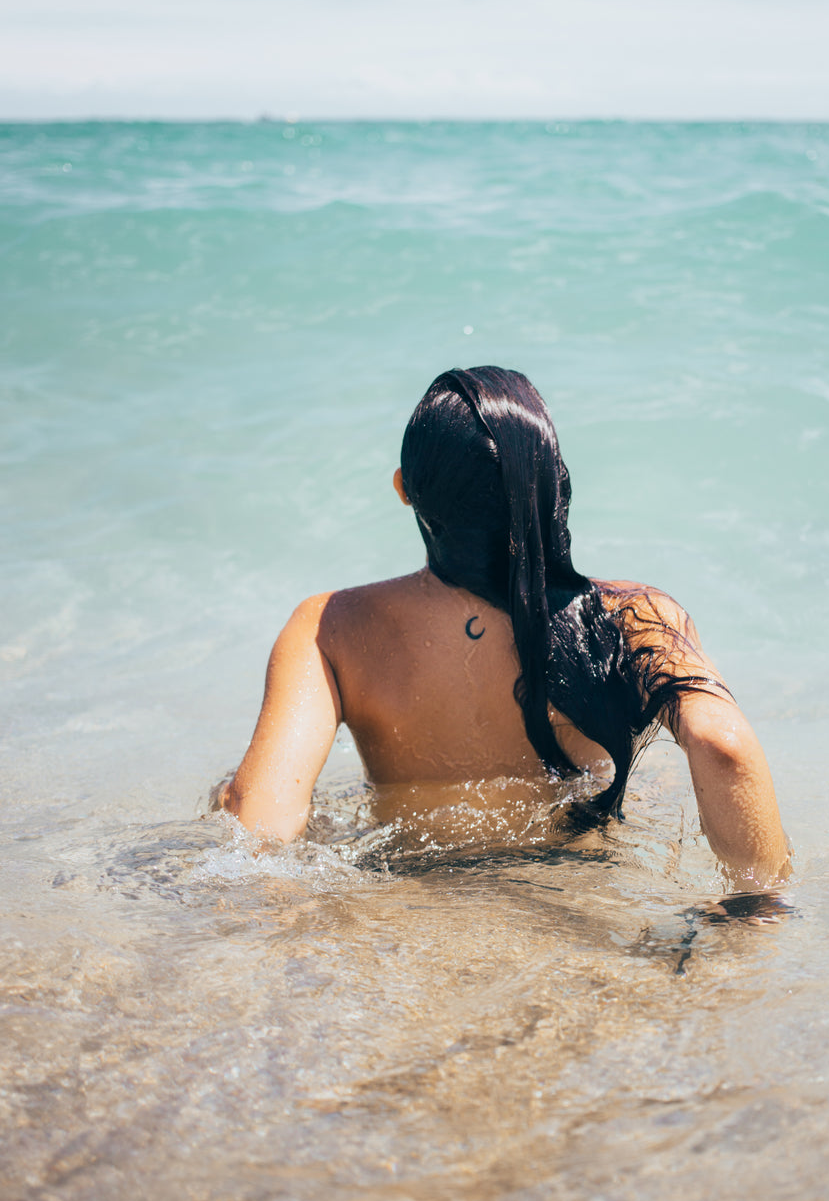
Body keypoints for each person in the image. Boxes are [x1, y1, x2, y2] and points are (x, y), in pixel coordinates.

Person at [218, 366, 790, 887]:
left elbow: (261, 824)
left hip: (415, 900)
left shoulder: (330, 628)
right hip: (578, 897)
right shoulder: (633, 617)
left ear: (403, 490)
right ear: (552, 488)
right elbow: (724, 746)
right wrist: (756, 914)